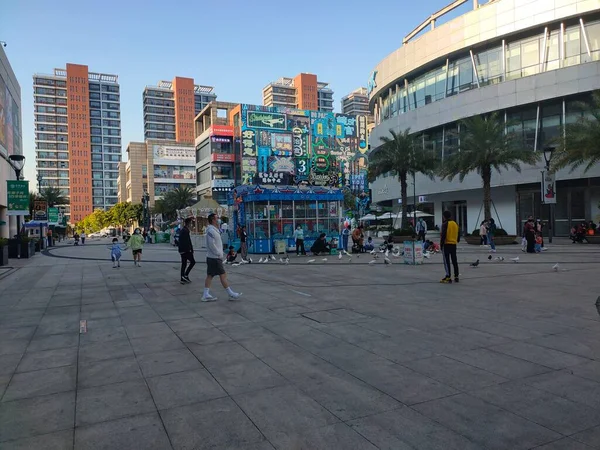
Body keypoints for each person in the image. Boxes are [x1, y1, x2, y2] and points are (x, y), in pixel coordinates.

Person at [203, 213, 241, 302]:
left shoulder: (214, 230)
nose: (219, 219)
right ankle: (230, 293)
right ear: (213, 220)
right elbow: (211, 244)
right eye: (217, 218)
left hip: (213, 257)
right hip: (214, 258)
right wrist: (218, 253)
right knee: (222, 275)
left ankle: (205, 294)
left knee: (210, 275)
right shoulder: (211, 231)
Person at [440, 210, 460, 283]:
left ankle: (448, 276)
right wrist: (456, 240)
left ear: (444, 216)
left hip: (446, 244)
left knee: (446, 261)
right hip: (454, 244)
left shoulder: (445, 224)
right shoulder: (455, 223)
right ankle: (456, 276)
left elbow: (443, 235)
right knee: (454, 260)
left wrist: (441, 244)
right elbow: (458, 234)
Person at [178, 217, 195, 284]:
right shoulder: (185, 231)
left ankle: (183, 277)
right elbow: (187, 241)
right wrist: (190, 249)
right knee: (192, 262)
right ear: (189, 223)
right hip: (186, 250)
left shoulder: (184, 230)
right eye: (191, 223)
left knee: (184, 263)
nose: (192, 225)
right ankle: (185, 275)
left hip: (183, 250)